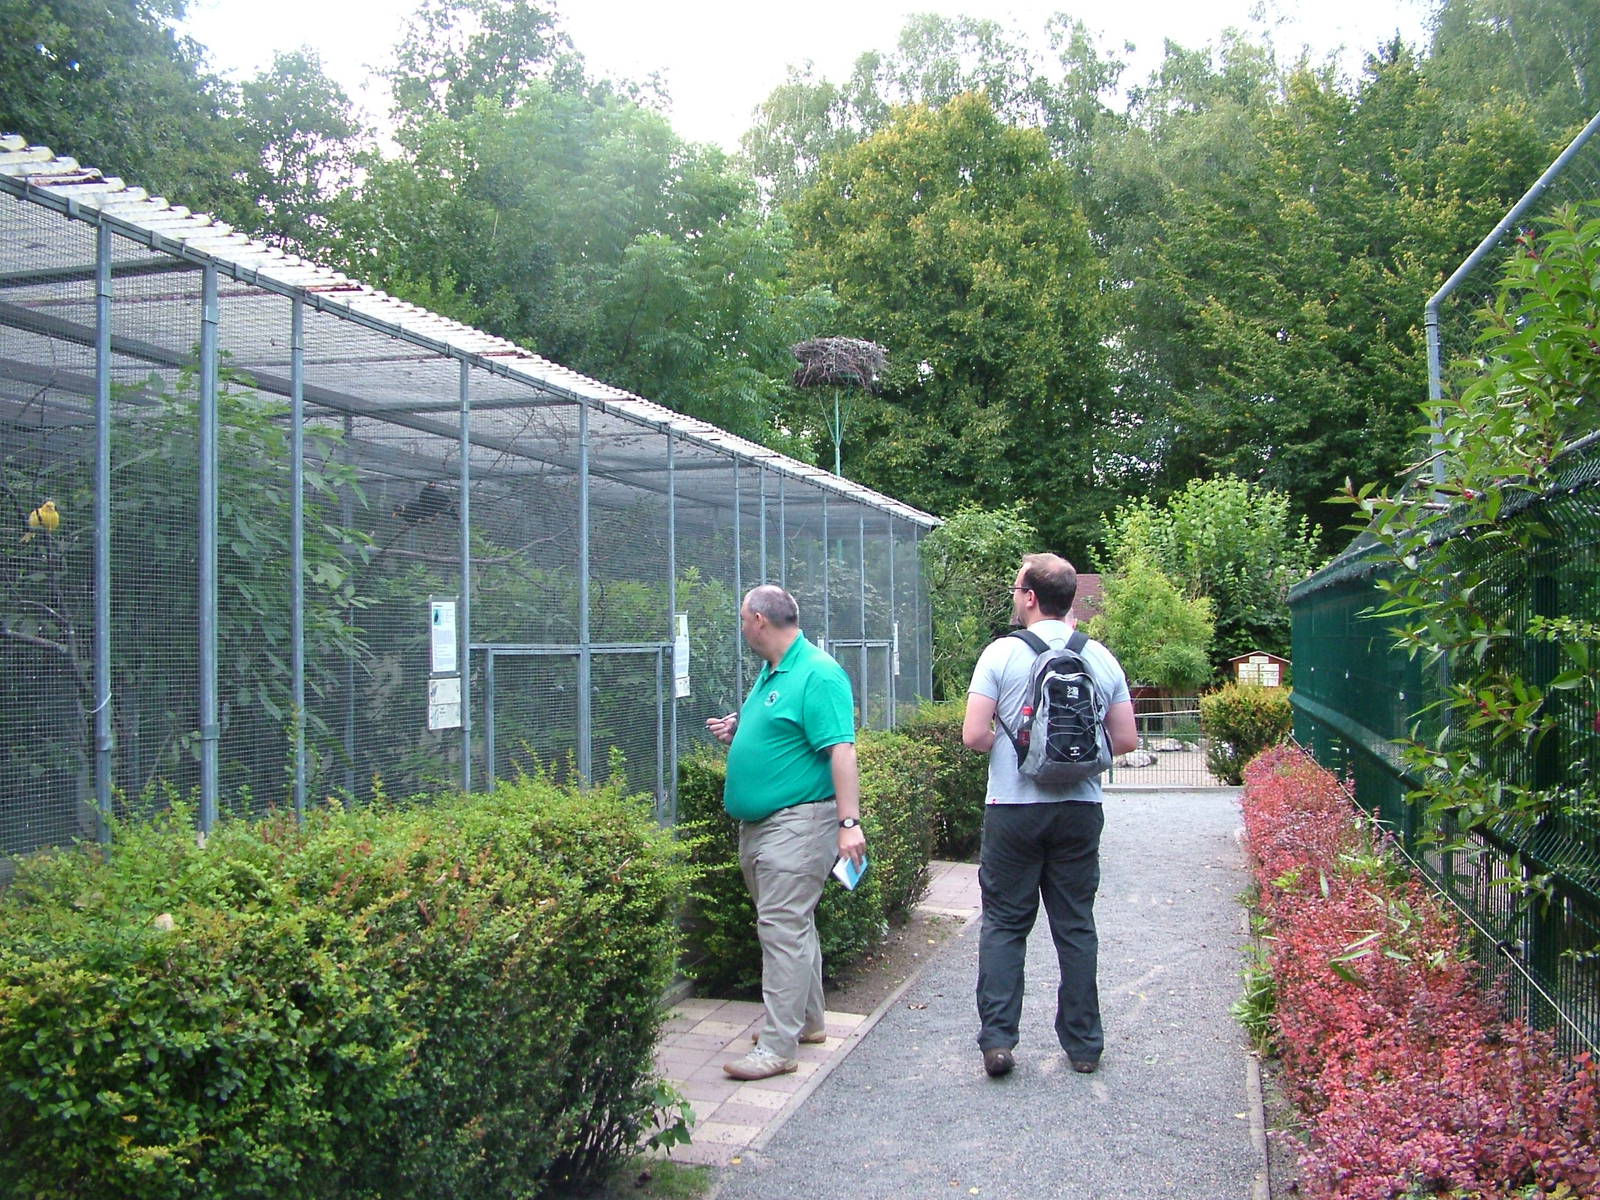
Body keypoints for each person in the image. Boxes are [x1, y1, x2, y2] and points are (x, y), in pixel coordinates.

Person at [961, 553, 1137, 1079]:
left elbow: (973, 735)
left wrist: (1015, 749)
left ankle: (998, 1041)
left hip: (1013, 809)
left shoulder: (1001, 653)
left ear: (1032, 597)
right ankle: (1084, 1045)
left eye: (1018, 590)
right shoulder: (1099, 656)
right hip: (1080, 809)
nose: (1016, 598)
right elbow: (1126, 739)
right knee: (1075, 925)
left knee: (1005, 924)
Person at [707, 584, 867, 1081]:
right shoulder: (774, 670)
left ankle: (778, 1047)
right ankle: (808, 1022)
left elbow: (841, 749)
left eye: (742, 619)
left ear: (759, 620)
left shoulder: (818, 672)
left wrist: (849, 824)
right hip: (765, 825)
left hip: (797, 824)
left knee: (782, 928)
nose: (741, 627)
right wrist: (741, 732)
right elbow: (786, 733)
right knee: (792, 927)